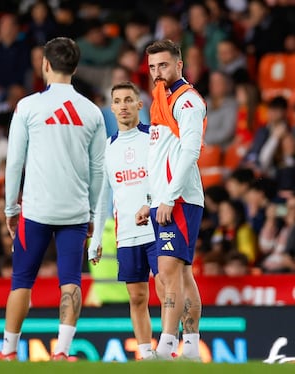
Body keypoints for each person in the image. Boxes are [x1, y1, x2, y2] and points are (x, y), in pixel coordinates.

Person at [0, 37, 106, 361]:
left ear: (45, 64)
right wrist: (93, 215)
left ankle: (9, 351)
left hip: (37, 211)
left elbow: (14, 162)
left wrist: (11, 208)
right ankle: (62, 352)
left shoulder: (28, 106)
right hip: (75, 212)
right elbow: (99, 170)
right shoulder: (92, 111)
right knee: (70, 280)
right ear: (75, 67)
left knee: (21, 281)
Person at [135, 39, 207, 361]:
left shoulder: (187, 101)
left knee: (167, 271)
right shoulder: (159, 100)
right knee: (181, 273)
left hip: (179, 198)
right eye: (151, 67)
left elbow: (191, 151)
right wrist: (150, 200)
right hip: (164, 198)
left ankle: (166, 346)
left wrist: (169, 197)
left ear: (179, 65)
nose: (157, 72)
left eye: (163, 65)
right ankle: (190, 348)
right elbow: (159, 157)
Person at [88, 81, 163, 360]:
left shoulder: (155, 137)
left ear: (139, 105)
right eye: (117, 101)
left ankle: (168, 345)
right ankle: (146, 353)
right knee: (137, 296)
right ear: (112, 107)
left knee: (167, 289)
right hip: (127, 232)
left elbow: (165, 178)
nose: (123, 106)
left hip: (157, 227)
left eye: (128, 100)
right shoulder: (108, 147)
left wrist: (150, 203)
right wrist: (96, 240)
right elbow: (103, 194)